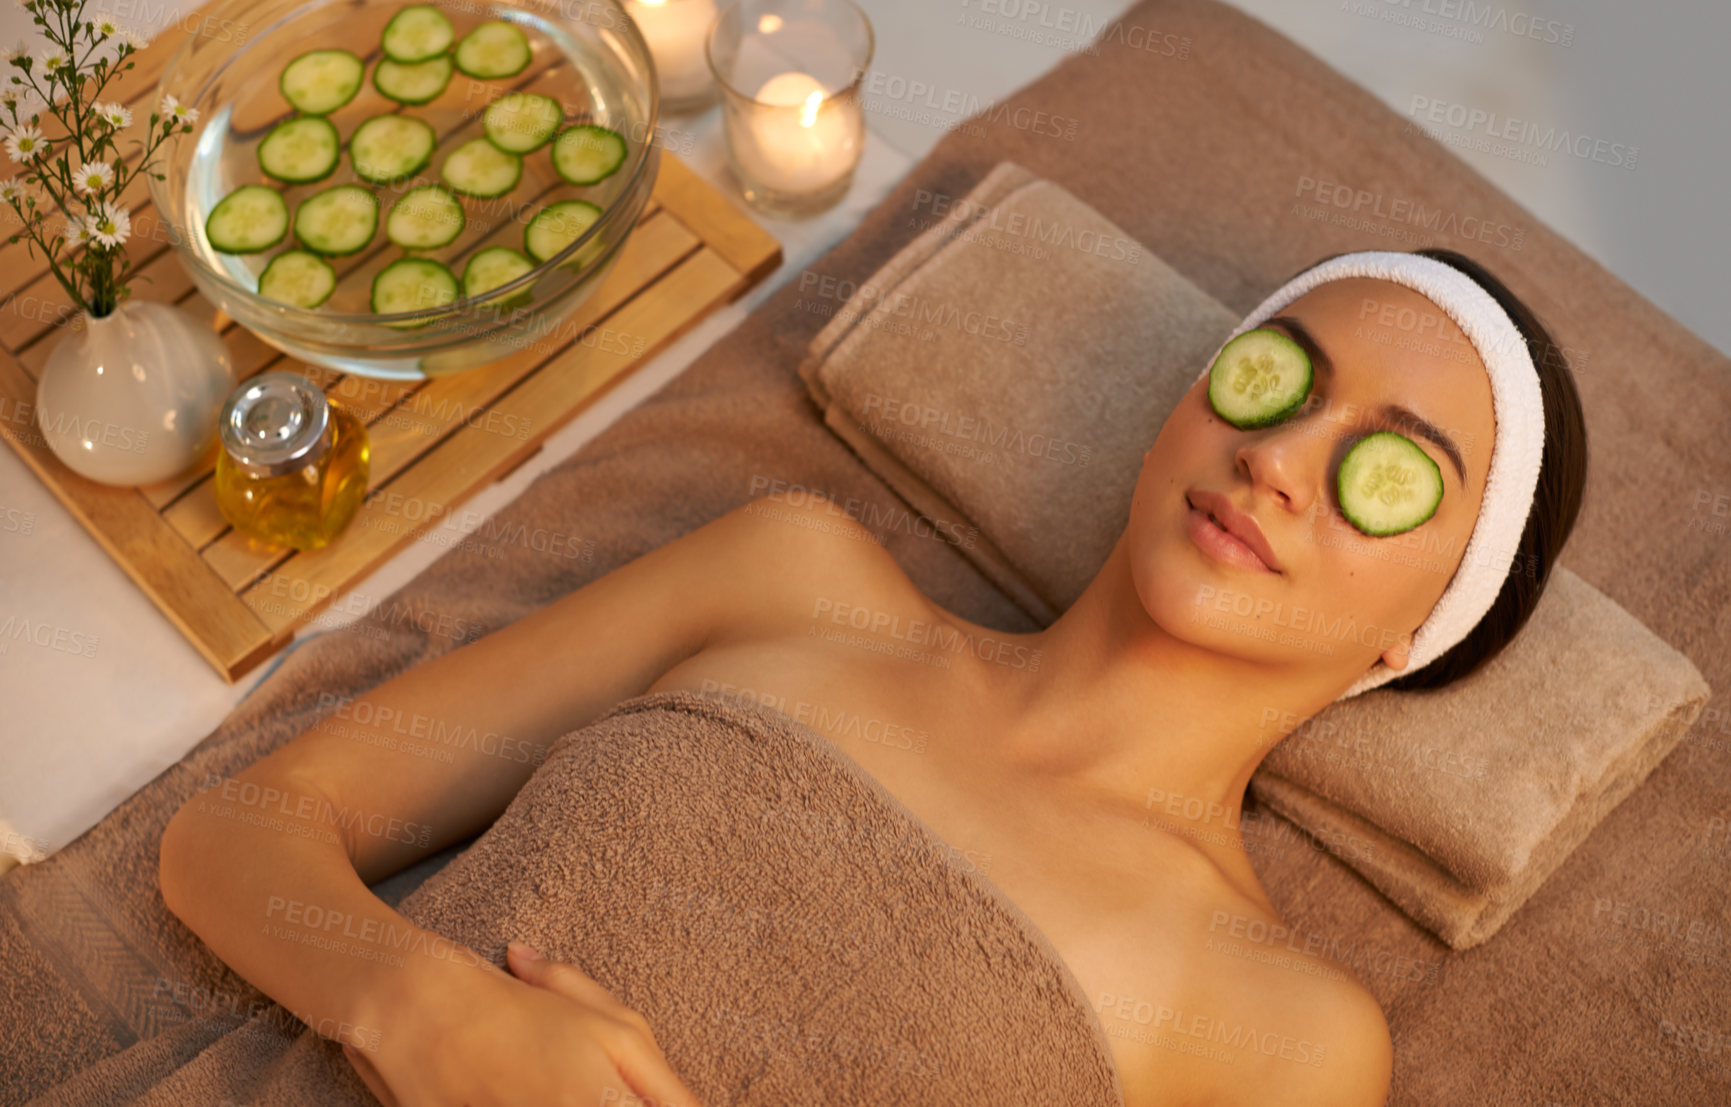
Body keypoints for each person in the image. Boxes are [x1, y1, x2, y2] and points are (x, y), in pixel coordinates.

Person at [159, 247, 1587, 1107]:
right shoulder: (798, 578)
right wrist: (422, 1005)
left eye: (1387, 473)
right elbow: (237, 834)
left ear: (1428, 622)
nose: (1279, 460)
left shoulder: (1287, 1033)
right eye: (1279, 379)